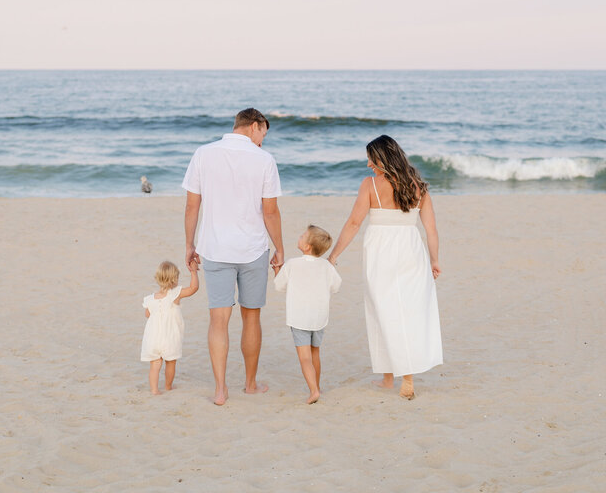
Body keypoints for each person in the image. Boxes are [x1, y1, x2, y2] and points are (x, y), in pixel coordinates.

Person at [327, 135, 442, 400]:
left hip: (381, 252)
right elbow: (431, 230)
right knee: (408, 311)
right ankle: (389, 377)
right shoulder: (419, 187)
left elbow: (354, 223)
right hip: (411, 250)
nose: (368, 165)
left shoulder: (370, 185)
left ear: (383, 158)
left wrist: (334, 256)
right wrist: (435, 260)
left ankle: (404, 378)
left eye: (371, 158)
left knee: (383, 310)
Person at [183, 108, 284, 406]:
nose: (263, 140)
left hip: (214, 247)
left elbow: (192, 206)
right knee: (251, 317)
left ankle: (220, 389)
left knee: (218, 319)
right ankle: (250, 385)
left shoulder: (203, 154)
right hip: (252, 249)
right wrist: (280, 247)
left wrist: (189, 244)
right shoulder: (264, 160)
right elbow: (270, 211)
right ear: (254, 126)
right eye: (263, 133)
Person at [273, 225, 342, 404]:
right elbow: (336, 286)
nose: (299, 236)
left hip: (299, 317)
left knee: (304, 357)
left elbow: (279, 286)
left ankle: (313, 391)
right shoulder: (326, 266)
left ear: (307, 246)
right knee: (315, 353)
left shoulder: (292, 264)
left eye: (303, 235)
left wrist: (276, 272)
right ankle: (316, 386)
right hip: (319, 317)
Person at [140, 260, 200, 395]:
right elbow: (193, 288)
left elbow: (147, 314)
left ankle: (154, 390)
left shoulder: (150, 299)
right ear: (174, 280)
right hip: (169, 337)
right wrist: (194, 273)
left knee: (155, 365)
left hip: (153, 338)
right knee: (170, 363)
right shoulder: (174, 294)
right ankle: (168, 386)